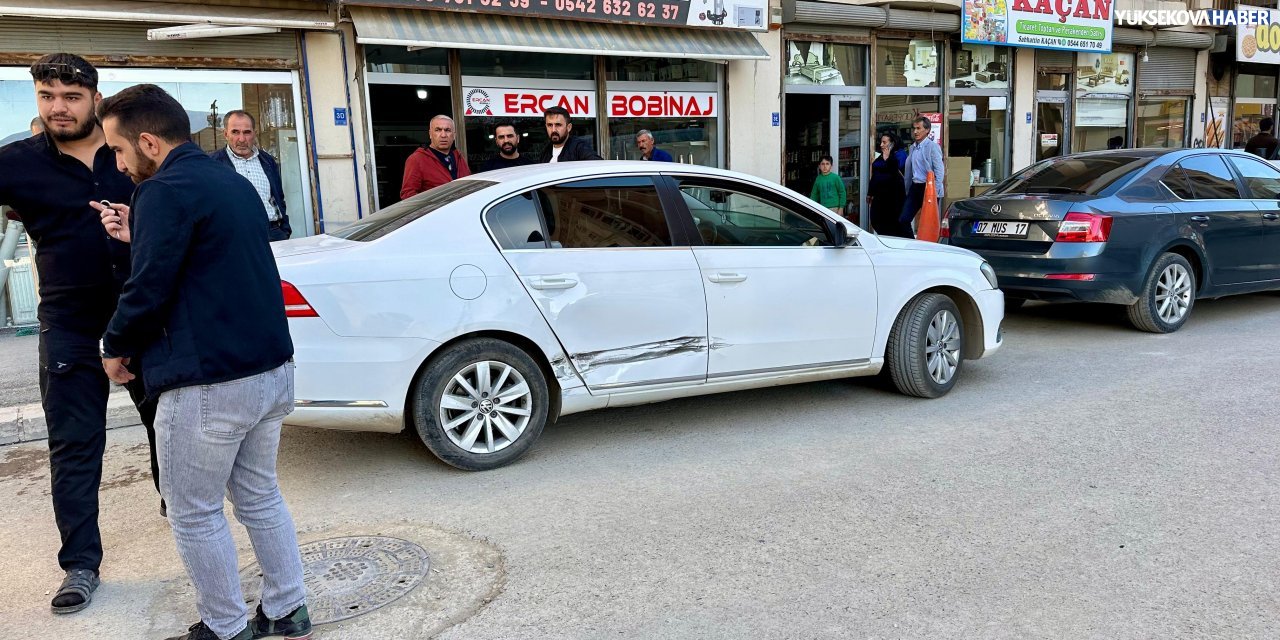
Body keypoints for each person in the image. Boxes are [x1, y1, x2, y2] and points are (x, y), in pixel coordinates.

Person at [96, 83, 310, 640]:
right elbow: (208, 261)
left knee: (195, 512)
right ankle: (288, 611)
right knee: (260, 495)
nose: (119, 166)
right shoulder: (232, 182)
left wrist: (113, 346)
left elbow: (149, 288)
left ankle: (225, 627)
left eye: (119, 151)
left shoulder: (163, 191)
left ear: (147, 141)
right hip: (270, 369)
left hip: (209, 381)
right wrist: (137, 233)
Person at [0, 52, 158, 616]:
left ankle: (184, 518)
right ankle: (81, 565)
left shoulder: (136, 150)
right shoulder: (15, 163)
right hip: (68, 325)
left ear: (95, 96)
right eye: (47, 96)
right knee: (73, 444)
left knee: (169, 425)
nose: (58, 108)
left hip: (142, 315)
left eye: (70, 96)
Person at [209, 110, 292, 242]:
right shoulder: (213, 164)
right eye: (235, 132)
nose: (242, 139)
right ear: (225, 134)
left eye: (247, 132)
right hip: (235, 236)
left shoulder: (268, 161)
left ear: (254, 133)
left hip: (273, 233)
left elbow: (278, 197)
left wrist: (284, 230)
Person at [400, 114, 470, 200]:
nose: (443, 135)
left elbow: (469, 186)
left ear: (454, 135)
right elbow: (408, 195)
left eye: (447, 130)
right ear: (430, 134)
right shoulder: (417, 159)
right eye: (438, 130)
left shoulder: (458, 156)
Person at [900, 116, 946, 238]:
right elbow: (910, 171)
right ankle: (912, 244)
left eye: (918, 128)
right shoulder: (912, 147)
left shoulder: (932, 147)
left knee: (928, 224)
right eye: (914, 128)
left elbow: (940, 171)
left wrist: (933, 191)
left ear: (927, 130)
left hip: (929, 189)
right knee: (904, 219)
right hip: (915, 188)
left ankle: (929, 249)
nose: (915, 132)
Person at [868, 133, 910, 237]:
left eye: (885, 142)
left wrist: (888, 159)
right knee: (877, 221)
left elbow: (894, 172)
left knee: (895, 224)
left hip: (894, 198)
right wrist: (870, 192)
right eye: (881, 142)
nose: (881, 145)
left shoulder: (899, 155)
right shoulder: (881, 157)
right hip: (880, 197)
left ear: (892, 144)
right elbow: (875, 175)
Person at [537, 106, 602, 162]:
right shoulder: (546, 151)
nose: (554, 130)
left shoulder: (579, 148)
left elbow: (599, 166)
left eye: (558, 125)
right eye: (550, 125)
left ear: (569, 127)